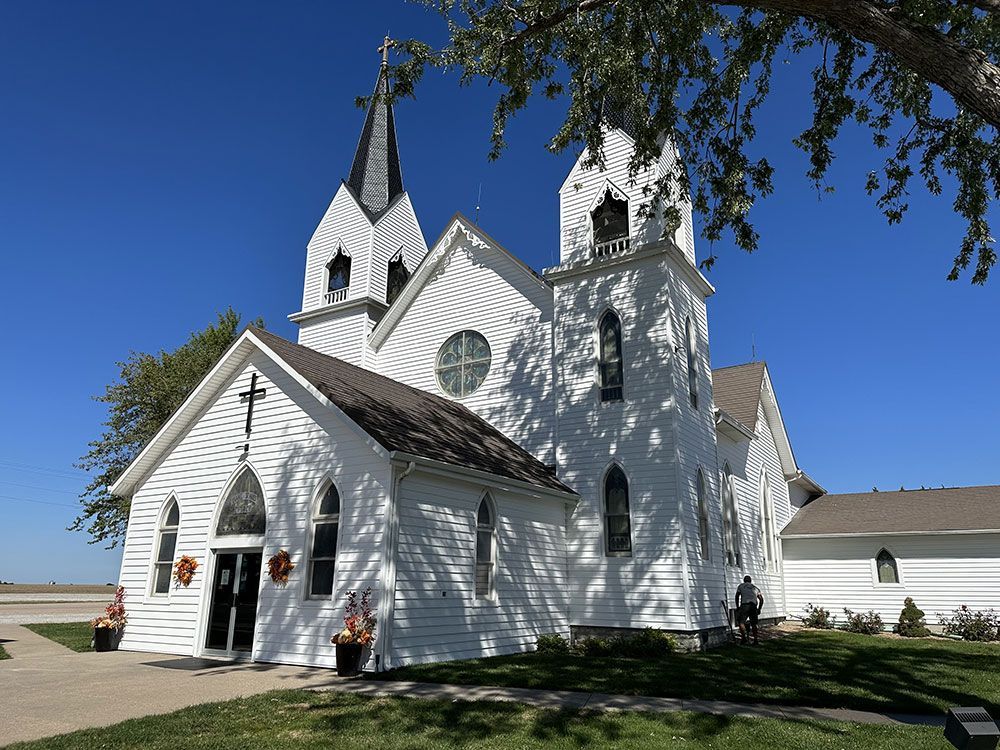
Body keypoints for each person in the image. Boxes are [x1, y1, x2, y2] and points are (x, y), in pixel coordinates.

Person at [734, 575, 764, 645]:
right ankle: (755, 640)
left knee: (741, 622)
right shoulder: (755, 588)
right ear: (750, 581)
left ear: (744, 580)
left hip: (745, 605)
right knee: (754, 624)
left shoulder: (741, 586)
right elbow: (761, 599)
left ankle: (744, 638)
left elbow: (737, 596)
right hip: (753, 606)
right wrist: (759, 609)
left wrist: (737, 607)